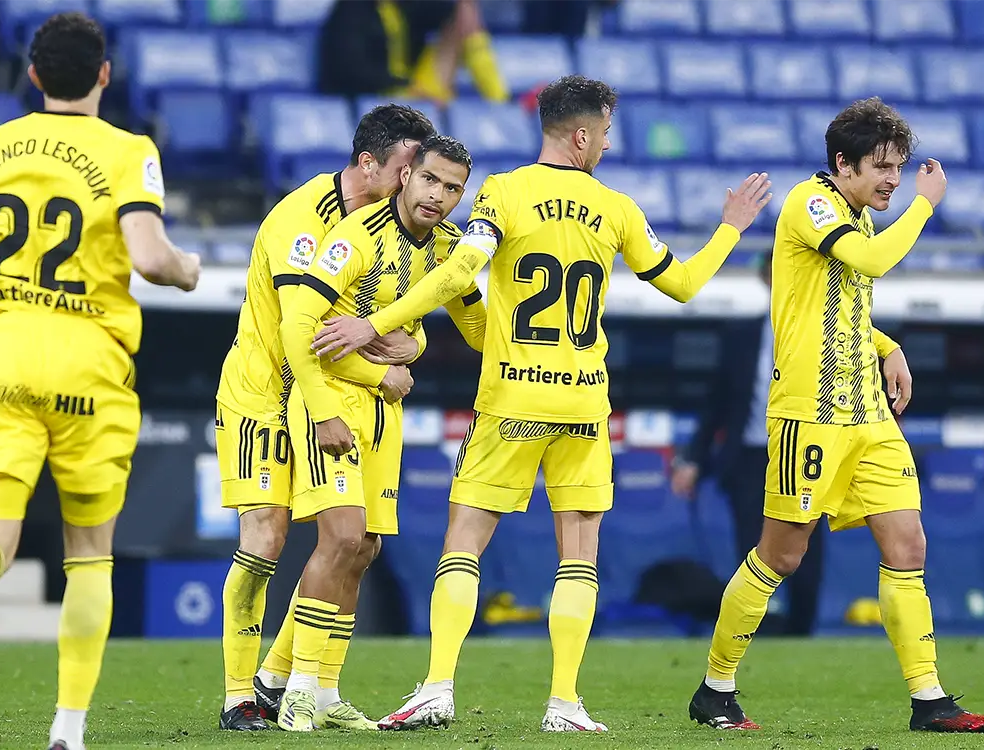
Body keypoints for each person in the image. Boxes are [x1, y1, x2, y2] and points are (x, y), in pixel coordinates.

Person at [311, 74, 771, 733]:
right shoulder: (617, 209)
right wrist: (729, 229)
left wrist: (372, 322)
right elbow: (684, 284)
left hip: (512, 399)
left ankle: (437, 687)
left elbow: (457, 273)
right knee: (578, 554)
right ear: (581, 136)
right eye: (605, 133)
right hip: (582, 405)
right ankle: (564, 703)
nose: (607, 145)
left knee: (465, 542)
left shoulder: (503, 193)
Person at [0, 13, 200, 750]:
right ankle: (68, 729)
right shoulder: (128, 150)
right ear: (104, 75)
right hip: (88, 356)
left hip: (5, 351)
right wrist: (188, 270)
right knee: (89, 553)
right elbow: (150, 257)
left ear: (33, 76)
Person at [686, 97, 984, 734]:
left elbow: (839, 303)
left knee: (908, 544)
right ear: (843, 163)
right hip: (810, 414)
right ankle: (715, 689)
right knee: (781, 556)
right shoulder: (812, 203)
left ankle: (929, 700)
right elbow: (871, 263)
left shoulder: (855, 213)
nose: (893, 179)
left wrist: (887, 345)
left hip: (869, 415)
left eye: (900, 167)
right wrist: (925, 204)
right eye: (881, 166)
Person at [213, 104, 436, 731]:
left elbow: (400, 322)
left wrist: (413, 346)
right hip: (265, 395)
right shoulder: (302, 222)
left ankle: (278, 679)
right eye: (406, 168)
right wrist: (382, 374)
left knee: (353, 545)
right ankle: (238, 697)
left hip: (327, 394)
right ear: (368, 163)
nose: (414, 182)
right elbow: (301, 334)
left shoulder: (391, 229)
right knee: (265, 538)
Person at [275, 134, 485, 732]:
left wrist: (417, 343)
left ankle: (325, 691)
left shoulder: (446, 250)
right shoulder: (357, 236)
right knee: (341, 538)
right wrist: (324, 410)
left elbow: (479, 331)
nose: (438, 196)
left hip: (384, 410)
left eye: (452, 188)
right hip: (330, 401)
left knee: (365, 548)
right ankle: (296, 691)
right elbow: (298, 328)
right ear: (407, 176)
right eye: (430, 180)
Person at [671, 252, 914, 637]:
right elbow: (717, 404)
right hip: (750, 455)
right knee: (752, 544)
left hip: (808, 449)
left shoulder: (829, 331)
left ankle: (802, 629)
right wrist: (693, 459)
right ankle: (747, 631)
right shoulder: (740, 336)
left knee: (806, 543)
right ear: (766, 279)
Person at [317, 0, 507, 104]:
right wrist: (404, 84)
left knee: (463, 11)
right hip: (376, 94)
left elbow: (453, 14)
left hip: (411, 90)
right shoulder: (350, 10)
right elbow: (349, 69)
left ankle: (499, 100)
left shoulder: (404, 6)